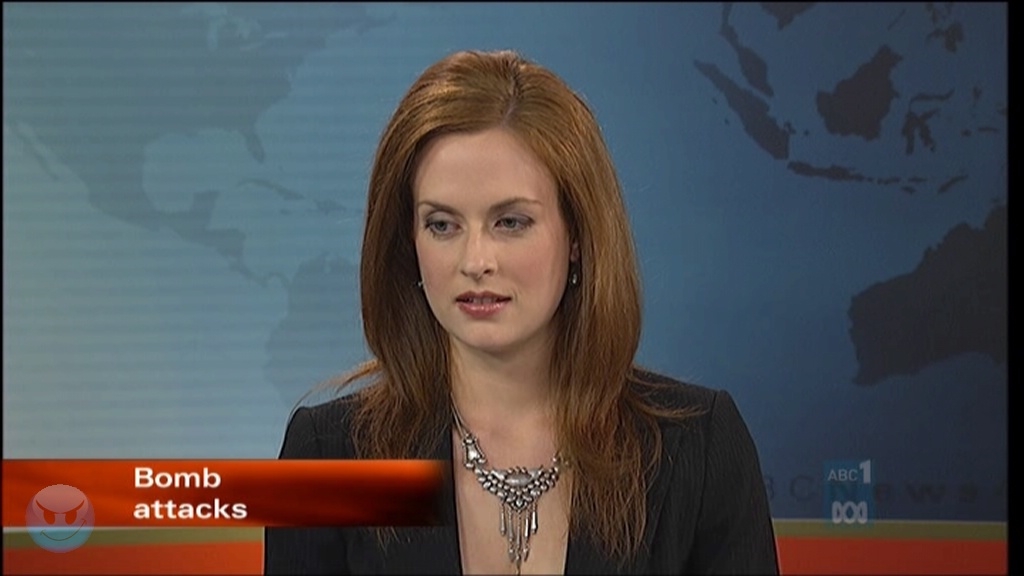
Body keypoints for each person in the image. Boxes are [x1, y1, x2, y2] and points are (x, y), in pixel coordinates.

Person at [264, 49, 779, 575]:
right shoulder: (325, 455)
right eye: (442, 225)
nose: (475, 261)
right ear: (408, 243)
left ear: (576, 235)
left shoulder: (698, 448)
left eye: (510, 222)